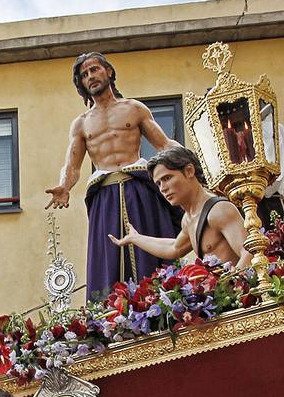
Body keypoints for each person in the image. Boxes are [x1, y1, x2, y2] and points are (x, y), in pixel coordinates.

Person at [45, 51, 182, 298]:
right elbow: (73, 165)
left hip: (139, 189)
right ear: (82, 84)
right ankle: (110, 315)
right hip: (105, 196)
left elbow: (163, 145)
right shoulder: (81, 124)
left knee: (148, 251)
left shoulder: (134, 109)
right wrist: (64, 186)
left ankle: (160, 301)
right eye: (85, 75)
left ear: (108, 71)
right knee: (107, 258)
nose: (91, 77)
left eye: (95, 69)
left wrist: (190, 161)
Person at [108, 146, 252, 268]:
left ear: (189, 171)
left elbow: (249, 252)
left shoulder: (218, 210)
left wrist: (233, 287)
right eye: (158, 183)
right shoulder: (188, 220)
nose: (163, 188)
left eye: (167, 178)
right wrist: (135, 238)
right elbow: (174, 248)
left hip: (237, 296)